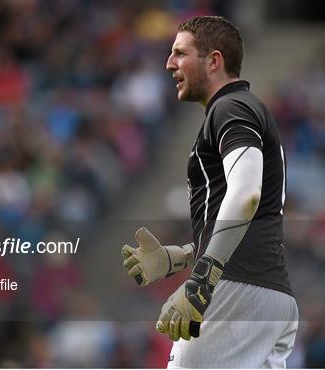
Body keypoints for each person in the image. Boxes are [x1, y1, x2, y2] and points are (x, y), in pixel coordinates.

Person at [122, 16, 298, 368]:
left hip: (236, 292)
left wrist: (202, 277)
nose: (169, 63)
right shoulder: (242, 110)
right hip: (269, 296)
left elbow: (246, 192)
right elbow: (253, 217)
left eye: (180, 53)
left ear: (214, 61)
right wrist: (182, 256)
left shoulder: (230, 107)